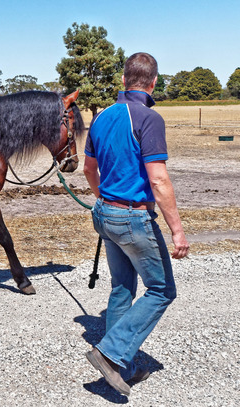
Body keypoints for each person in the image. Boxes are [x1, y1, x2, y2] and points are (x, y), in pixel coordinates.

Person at [82, 52, 190, 396]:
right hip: (132, 218)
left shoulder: (100, 118)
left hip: (105, 214)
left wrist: (108, 200)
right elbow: (158, 181)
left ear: (124, 80)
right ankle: (111, 355)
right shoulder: (149, 118)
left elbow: (88, 170)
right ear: (154, 82)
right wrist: (177, 230)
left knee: (122, 288)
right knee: (161, 290)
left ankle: (118, 368)